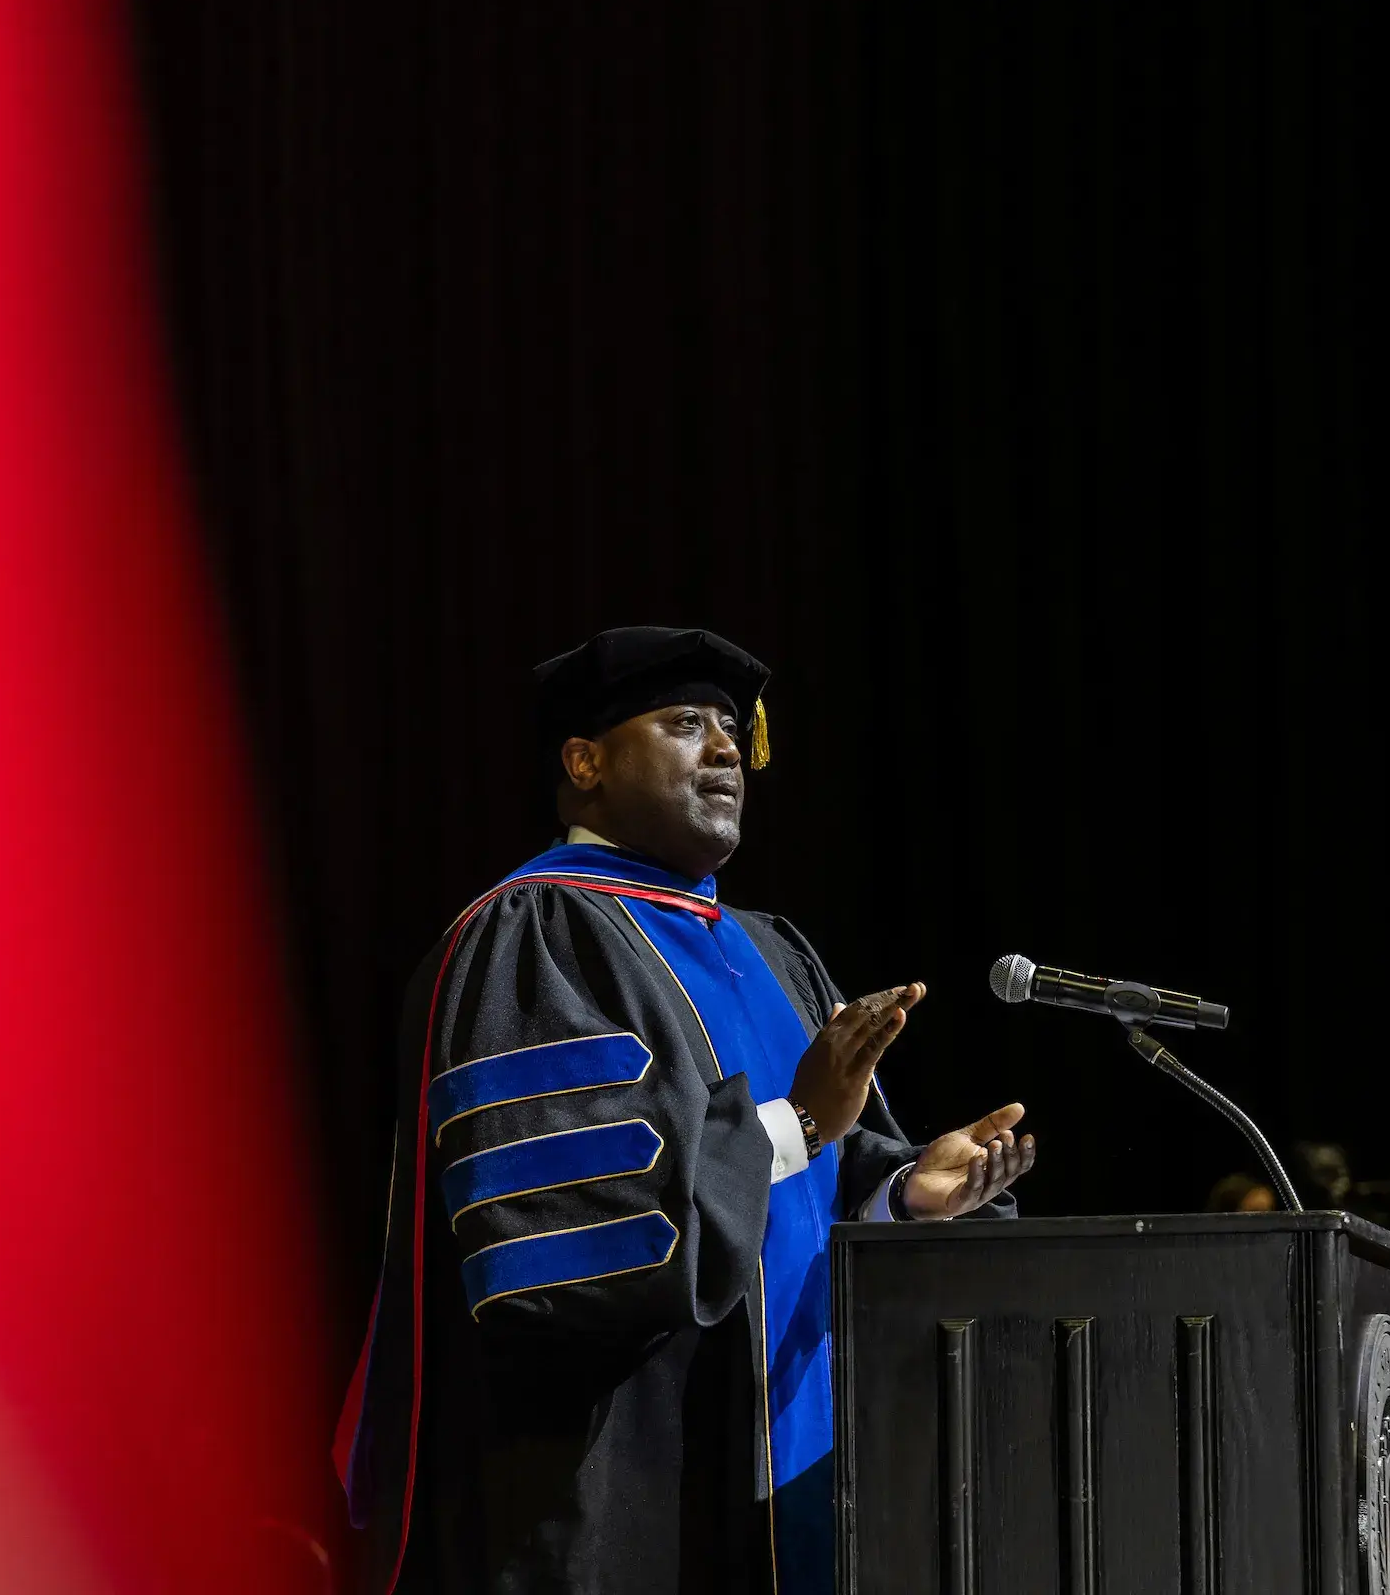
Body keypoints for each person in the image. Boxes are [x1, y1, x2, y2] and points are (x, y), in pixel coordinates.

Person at [333, 627, 1040, 1595]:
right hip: (620, 1479)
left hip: (809, 1474)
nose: (721, 749)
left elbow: (821, 1169)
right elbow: (573, 1237)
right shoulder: (537, 933)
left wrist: (904, 1192)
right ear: (585, 762)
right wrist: (801, 1120)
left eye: (726, 729)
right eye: (682, 724)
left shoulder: (771, 948)